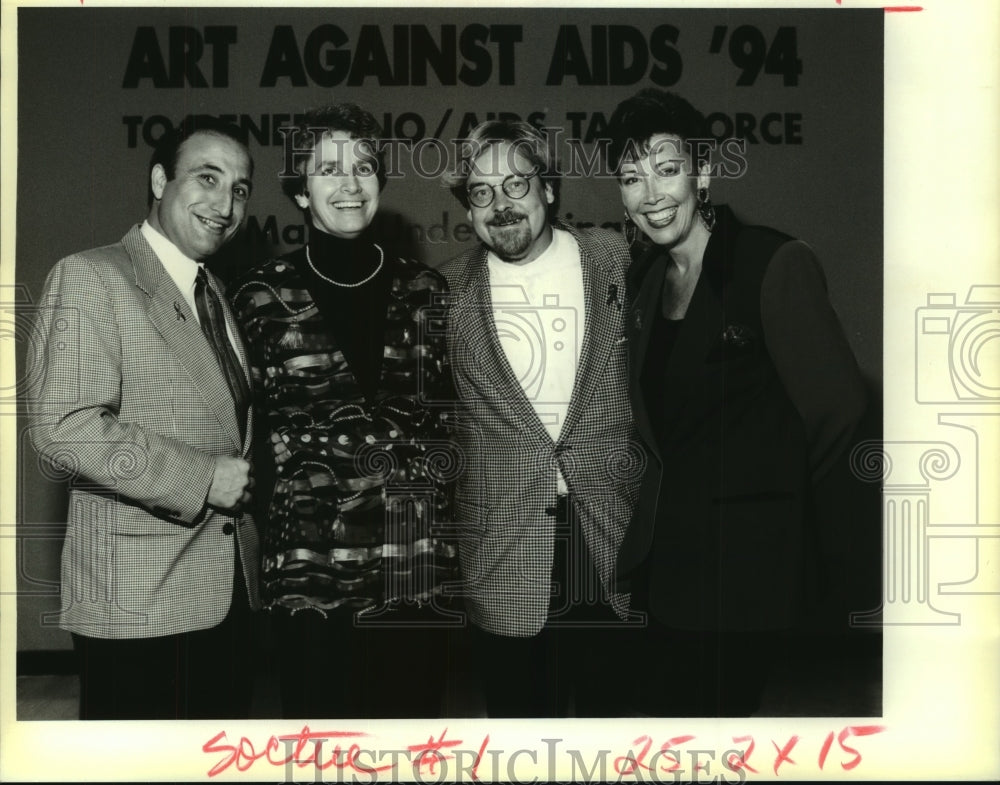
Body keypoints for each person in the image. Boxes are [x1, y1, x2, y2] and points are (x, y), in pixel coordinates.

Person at [607, 88, 868, 717]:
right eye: (631, 179)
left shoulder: (771, 261)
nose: (651, 196)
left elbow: (840, 412)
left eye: (667, 170)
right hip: (663, 572)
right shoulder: (641, 283)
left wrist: (772, 510)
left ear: (703, 172)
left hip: (743, 576)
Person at [229, 103, 459, 719]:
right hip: (311, 568)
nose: (349, 184)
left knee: (411, 743)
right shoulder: (260, 297)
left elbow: (450, 425)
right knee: (322, 747)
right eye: (328, 170)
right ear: (300, 191)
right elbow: (241, 433)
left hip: (413, 564)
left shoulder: (427, 292)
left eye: (362, 167)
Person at [27, 115, 260, 719]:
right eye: (206, 178)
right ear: (159, 180)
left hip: (224, 598)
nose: (225, 202)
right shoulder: (92, 276)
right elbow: (65, 429)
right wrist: (204, 477)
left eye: (238, 188)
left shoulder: (215, 295)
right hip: (135, 607)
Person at [439, 119, 640, 717]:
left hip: (611, 534)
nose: (501, 205)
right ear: (468, 210)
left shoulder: (621, 261)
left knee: (615, 738)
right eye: (481, 192)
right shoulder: (442, 294)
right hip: (502, 548)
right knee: (520, 737)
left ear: (548, 189)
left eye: (516, 185)